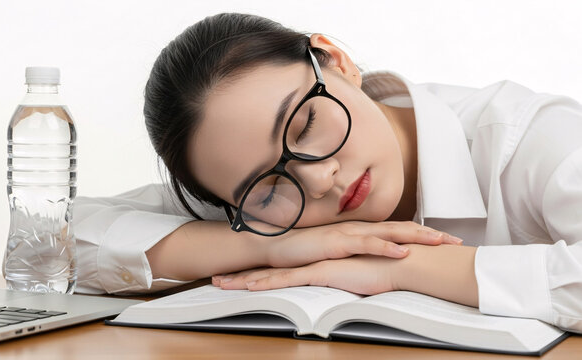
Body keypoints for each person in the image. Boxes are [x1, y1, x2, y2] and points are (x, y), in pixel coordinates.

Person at [73, 13, 582, 333]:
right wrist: (270, 246)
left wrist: (398, 269)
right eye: (268, 186)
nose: (317, 181)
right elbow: (50, 242)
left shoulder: (529, 138)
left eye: (307, 122)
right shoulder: (265, 212)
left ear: (335, 62)